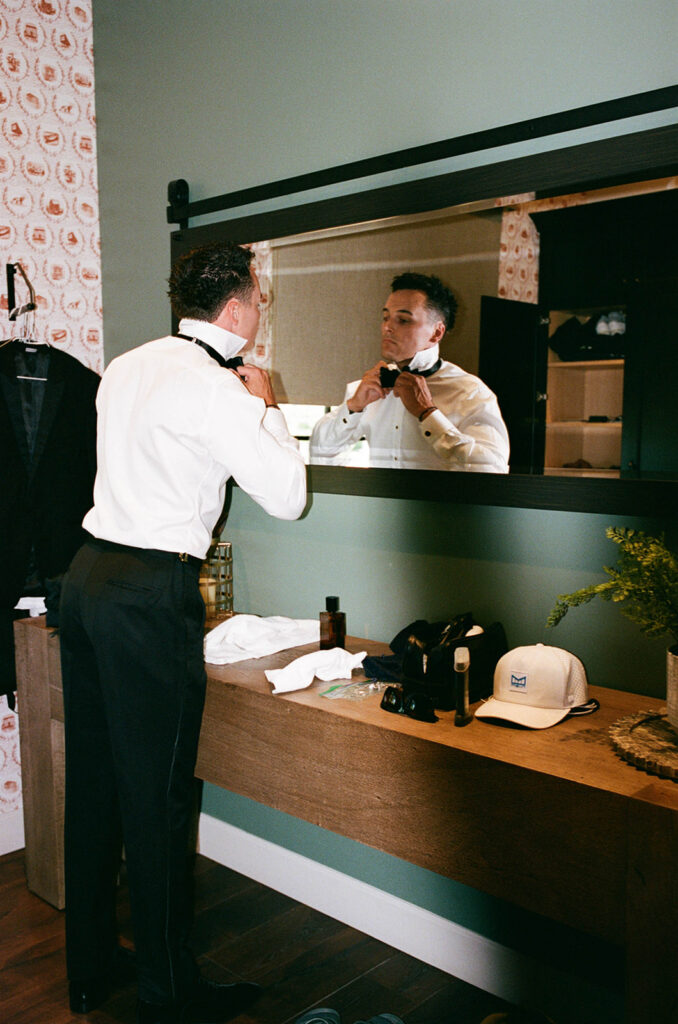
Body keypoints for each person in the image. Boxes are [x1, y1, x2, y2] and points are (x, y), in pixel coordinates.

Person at [59, 242, 307, 1024]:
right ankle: (172, 995)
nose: (260, 313)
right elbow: (289, 496)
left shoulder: (128, 365)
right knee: (160, 797)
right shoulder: (219, 389)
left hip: (86, 579)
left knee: (95, 784)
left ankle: (91, 969)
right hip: (147, 596)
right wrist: (267, 403)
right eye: (258, 301)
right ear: (236, 309)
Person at [309, 272, 509, 472]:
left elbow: (492, 471)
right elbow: (320, 456)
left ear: (437, 332)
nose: (387, 327)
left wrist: (428, 413)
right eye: (385, 317)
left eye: (403, 320)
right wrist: (353, 407)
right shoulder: (366, 390)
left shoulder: (470, 392)